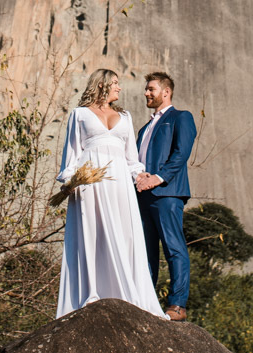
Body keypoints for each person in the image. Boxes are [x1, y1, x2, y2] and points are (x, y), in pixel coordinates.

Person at [55, 68, 168, 319]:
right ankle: (92, 292)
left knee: (124, 233)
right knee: (92, 235)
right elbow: (71, 155)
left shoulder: (125, 116)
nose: (119, 88)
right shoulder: (80, 115)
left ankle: (127, 295)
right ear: (102, 85)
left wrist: (140, 175)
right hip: (90, 183)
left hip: (119, 184)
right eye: (115, 83)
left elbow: (131, 159)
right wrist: (71, 181)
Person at [135, 71, 197, 322]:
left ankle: (177, 305)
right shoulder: (144, 128)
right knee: (144, 251)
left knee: (174, 248)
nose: (146, 93)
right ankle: (145, 301)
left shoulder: (181, 118)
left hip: (167, 194)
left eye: (151, 89)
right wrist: (139, 177)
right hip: (141, 196)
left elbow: (181, 154)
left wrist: (156, 178)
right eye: (146, 89)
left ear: (166, 92)